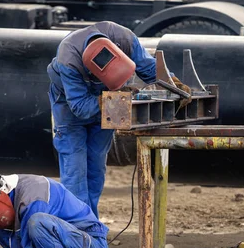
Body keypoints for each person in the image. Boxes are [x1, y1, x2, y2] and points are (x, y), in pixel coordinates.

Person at [48, 21, 191, 217]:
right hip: (70, 105)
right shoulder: (68, 58)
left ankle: (90, 224)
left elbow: (150, 70)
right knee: (75, 170)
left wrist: (173, 85)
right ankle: (78, 228)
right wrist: (113, 100)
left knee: (96, 168)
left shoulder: (124, 38)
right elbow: (79, 107)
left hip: (108, 100)